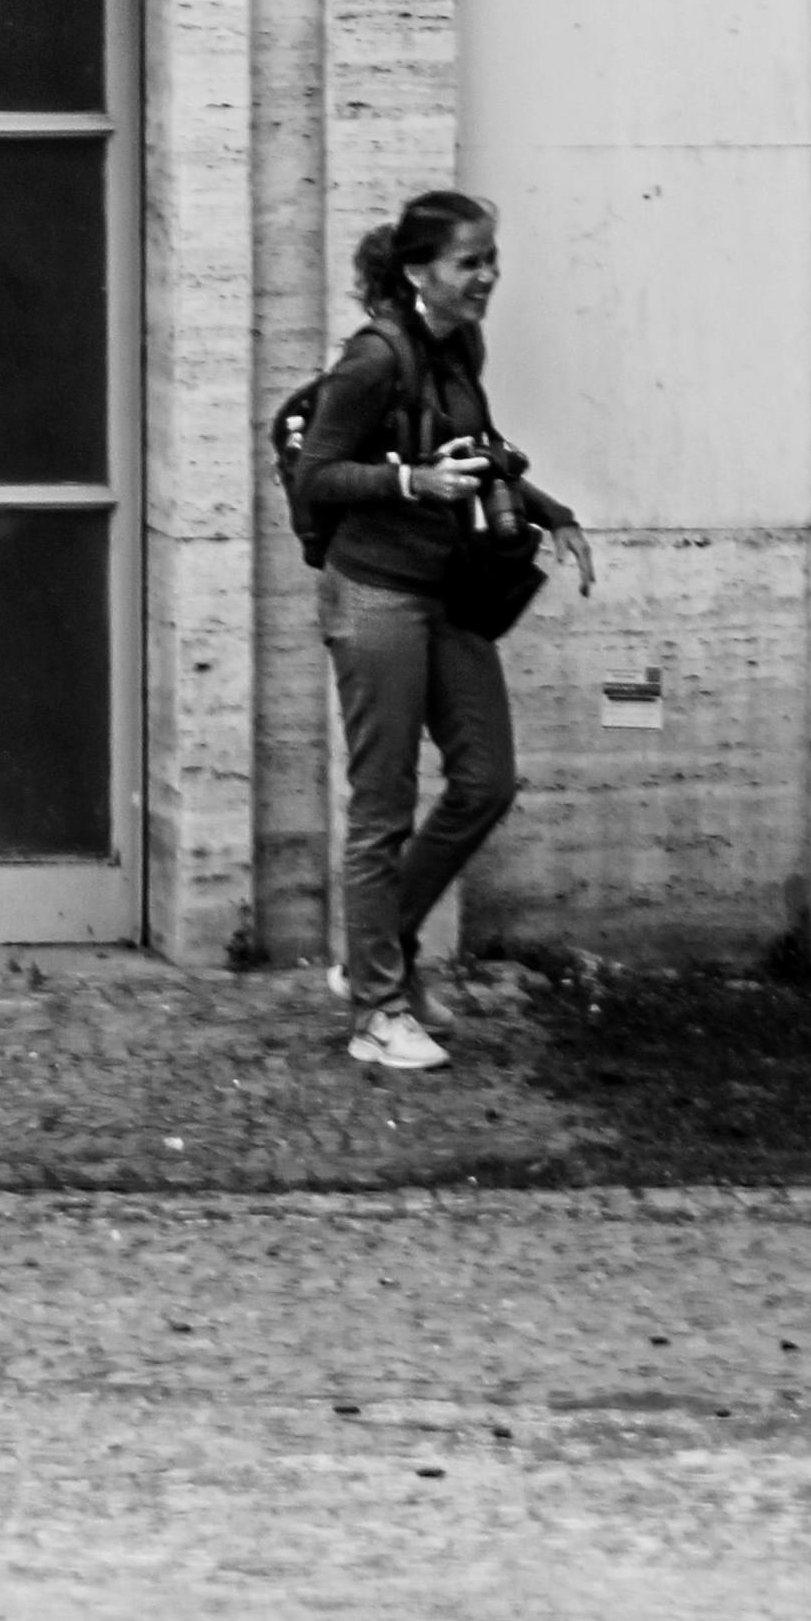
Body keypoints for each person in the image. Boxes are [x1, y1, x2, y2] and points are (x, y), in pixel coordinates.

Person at [296, 186, 594, 1075]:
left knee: (486, 780)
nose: (488, 276)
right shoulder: (372, 361)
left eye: (491, 260)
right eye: (471, 262)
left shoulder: (460, 345)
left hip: (447, 591)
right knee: (381, 811)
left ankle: (370, 956)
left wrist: (552, 510)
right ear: (421, 270)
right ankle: (379, 1008)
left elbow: (478, 444)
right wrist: (408, 485)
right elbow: (318, 476)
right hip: (376, 596)